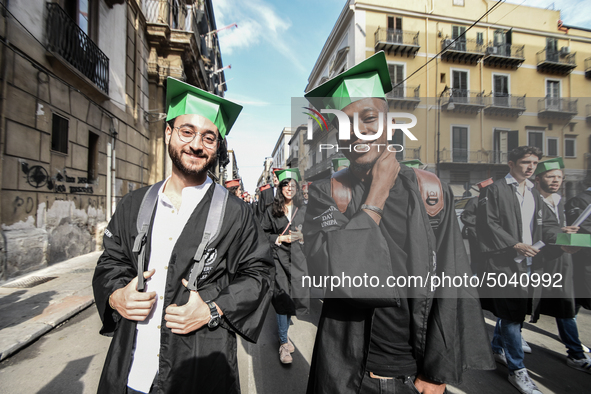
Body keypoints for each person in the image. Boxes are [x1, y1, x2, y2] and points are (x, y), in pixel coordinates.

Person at [303, 51, 494, 394]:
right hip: (348, 371)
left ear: (390, 123)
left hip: (414, 374)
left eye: (369, 118)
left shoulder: (430, 190)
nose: (358, 131)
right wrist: (376, 196)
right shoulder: (325, 194)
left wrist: (437, 373)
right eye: (345, 124)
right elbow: (332, 274)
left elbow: (452, 280)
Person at [92, 77, 274, 394]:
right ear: (168, 133)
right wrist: (115, 295)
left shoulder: (237, 214)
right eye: (186, 131)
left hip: (200, 371)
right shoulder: (134, 204)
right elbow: (111, 261)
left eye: (208, 137)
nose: (195, 145)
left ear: (217, 147)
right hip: (132, 372)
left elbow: (260, 274)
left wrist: (212, 308)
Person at [476, 146, 562, 394]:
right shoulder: (494, 190)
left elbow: (548, 226)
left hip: (529, 263)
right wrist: (514, 244)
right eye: (525, 162)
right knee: (513, 315)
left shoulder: (535, 194)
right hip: (504, 263)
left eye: (534, 163)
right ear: (511, 164)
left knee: (513, 312)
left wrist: (563, 241)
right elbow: (487, 224)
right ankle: (517, 370)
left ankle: (496, 348)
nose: (531, 167)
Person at [532, 158, 590, 372]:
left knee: (565, 306)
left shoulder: (559, 200)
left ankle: (575, 353)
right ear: (538, 179)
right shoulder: (531, 199)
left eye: (559, 177)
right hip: (534, 261)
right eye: (550, 176)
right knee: (518, 309)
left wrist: (569, 236)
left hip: (559, 261)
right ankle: (501, 344)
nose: (556, 181)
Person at [261, 168, 308, 364]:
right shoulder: (271, 210)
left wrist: (304, 237)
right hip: (278, 258)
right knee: (281, 297)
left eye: (293, 185)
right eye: (286, 184)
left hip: (298, 260)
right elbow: (261, 235)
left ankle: (285, 332)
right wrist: (280, 237)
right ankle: (283, 343)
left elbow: (314, 233)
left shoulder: (304, 209)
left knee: (294, 297)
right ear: (280, 188)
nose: (290, 188)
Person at [460, 178, 493, 276]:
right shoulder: (475, 201)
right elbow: (466, 217)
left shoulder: (493, 201)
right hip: (476, 235)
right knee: (477, 259)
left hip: (490, 236)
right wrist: (481, 222)